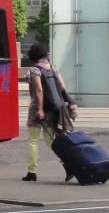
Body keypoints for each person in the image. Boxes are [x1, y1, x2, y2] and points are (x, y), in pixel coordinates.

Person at [23, 43, 74, 182]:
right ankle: (68, 165)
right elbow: (62, 86)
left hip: (37, 108)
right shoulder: (52, 68)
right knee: (51, 140)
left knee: (33, 140)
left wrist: (39, 109)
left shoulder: (35, 70)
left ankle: (31, 172)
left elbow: (39, 90)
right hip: (53, 108)